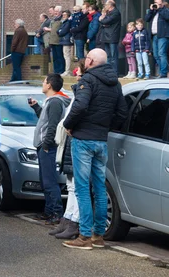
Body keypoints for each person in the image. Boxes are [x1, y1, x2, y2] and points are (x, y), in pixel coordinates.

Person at [62, 48, 128, 250]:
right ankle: (98, 236)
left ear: (90, 61)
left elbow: (80, 106)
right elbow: (121, 113)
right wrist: (104, 127)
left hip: (83, 139)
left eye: (87, 58)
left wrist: (68, 125)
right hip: (101, 140)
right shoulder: (115, 83)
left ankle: (84, 236)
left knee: (82, 189)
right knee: (99, 188)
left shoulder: (88, 80)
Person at [49, 59, 86, 240]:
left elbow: (74, 115)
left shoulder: (85, 91)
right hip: (69, 141)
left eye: (79, 70)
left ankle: (75, 222)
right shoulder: (78, 91)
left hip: (75, 138)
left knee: (78, 186)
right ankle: (67, 218)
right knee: (71, 184)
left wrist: (68, 125)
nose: (76, 73)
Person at [28, 73, 70, 225]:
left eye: (44, 81)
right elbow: (45, 121)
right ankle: (48, 211)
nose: (42, 83)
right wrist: (36, 107)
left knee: (49, 181)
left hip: (48, 147)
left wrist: (46, 144)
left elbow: (52, 126)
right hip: (44, 146)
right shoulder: (51, 101)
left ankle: (56, 213)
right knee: (45, 180)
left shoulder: (55, 102)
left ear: (49, 85)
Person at [144, 0, 169, 78]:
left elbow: (167, 16)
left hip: (163, 35)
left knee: (162, 54)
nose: (157, 5)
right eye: (155, 3)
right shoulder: (154, 12)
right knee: (156, 55)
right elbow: (146, 19)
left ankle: (163, 73)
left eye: (158, 3)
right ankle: (163, 71)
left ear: (162, 3)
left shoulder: (165, 10)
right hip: (154, 36)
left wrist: (160, 9)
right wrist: (151, 11)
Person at [99, 0, 121, 73]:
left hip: (112, 36)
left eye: (106, 5)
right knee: (108, 56)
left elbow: (105, 21)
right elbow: (103, 23)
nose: (105, 6)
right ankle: (109, 72)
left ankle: (115, 72)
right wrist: (103, 20)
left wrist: (102, 20)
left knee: (113, 56)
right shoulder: (108, 13)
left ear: (110, 5)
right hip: (106, 36)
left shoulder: (115, 13)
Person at [46, 6, 64, 74]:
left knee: (60, 56)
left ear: (60, 12)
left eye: (57, 11)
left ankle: (61, 70)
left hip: (58, 41)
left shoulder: (61, 20)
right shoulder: (53, 20)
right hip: (53, 41)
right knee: (55, 57)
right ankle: (56, 70)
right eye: (55, 11)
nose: (56, 13)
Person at [57, 10, 73, 76]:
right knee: (66, 55)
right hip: (64, 40)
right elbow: (58, 30)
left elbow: (62, 31)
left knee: (67, 56)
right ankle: (67, 71)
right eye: (63, 15)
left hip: (66, 40)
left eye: (65, 15)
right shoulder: (65, 22)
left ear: (68, 15)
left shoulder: (68, 22)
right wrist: (60, 31)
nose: (63, 16)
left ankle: (67, 71)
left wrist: (60, 31)